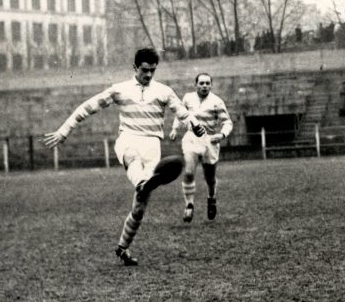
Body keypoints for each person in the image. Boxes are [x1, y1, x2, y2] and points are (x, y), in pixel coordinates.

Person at [43, 47, 206, 266]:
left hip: (152, 146)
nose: (148, 75)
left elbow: (183, 113)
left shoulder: (163, 91)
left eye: (153, 71)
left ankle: (123, 248)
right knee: (131, 157)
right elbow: (88, 107)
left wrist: (195, 125)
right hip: (128, 138)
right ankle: (142, 182)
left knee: (139, 208)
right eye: (145, 70)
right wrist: (64, 130)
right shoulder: (120, 90)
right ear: (135, 67)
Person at [169, 73, 233, 223]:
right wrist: (174, 129)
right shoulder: (188, 98)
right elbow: (180, 115)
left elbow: (227, 122)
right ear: (196, 84)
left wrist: (222, 135)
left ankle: (211, 198)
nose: (204, 86)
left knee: (209, 177)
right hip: (192, 137)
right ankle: (189, 205)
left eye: (207, 83)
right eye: (201, 83)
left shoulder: (217, 102)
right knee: (189, 172)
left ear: (211, 85)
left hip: (210, 139)